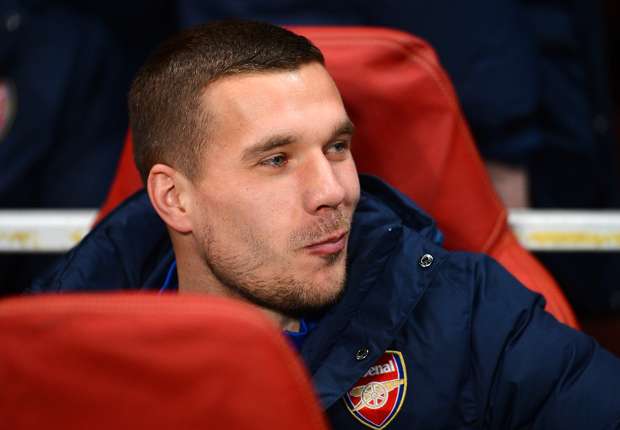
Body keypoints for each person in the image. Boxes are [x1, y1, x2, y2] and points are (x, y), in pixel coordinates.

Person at [32, 21, 620, 428]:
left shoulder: (471, 313)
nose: (334, 191)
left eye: (337, 147)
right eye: (276, 160)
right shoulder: (56, 351)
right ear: (174, 198)